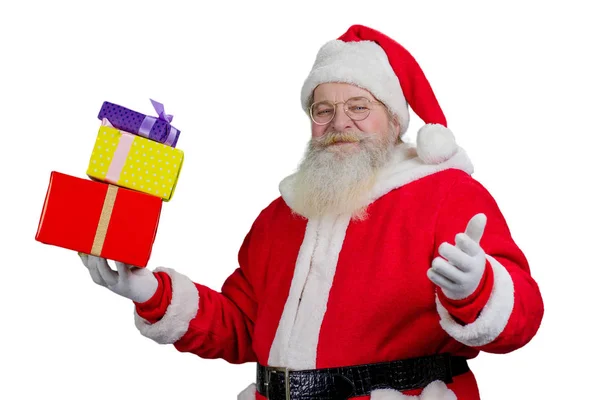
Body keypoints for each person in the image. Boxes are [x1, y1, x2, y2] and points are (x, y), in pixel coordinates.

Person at [78, 25, 544, 400]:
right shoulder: (281, 216)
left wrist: (478, 288)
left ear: (396, 120)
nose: (340, 123)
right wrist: (152, 293)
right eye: (324, 110)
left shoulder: (446, 193)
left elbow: (523, 315)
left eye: (359, 106)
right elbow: (242, 326)